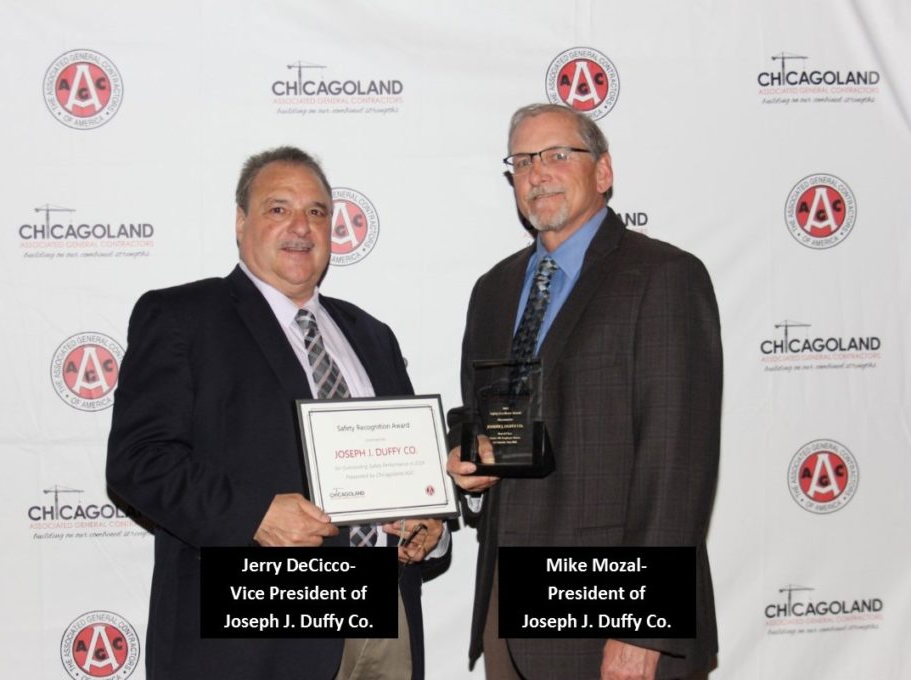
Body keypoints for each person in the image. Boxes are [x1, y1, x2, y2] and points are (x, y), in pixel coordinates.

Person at [107, 146, 447, 680]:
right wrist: (254, 516)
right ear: (241, 222)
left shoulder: (371, 336)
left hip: (384, 627)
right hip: (253, 640)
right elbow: (140, 462)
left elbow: (413, 473)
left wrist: (429, 525)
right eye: (278, 208)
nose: (301, 226)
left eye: (317, 212)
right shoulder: (182, 317)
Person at [446, 103, 722, 680]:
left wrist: (640, 626)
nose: (538, 172)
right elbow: (483, 418)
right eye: (522, 161)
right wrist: (470, 471)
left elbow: (678, 464)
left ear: (603, 173)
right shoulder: (493, 290)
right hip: (507, 606)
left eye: (556, 155)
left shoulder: (663, 277)